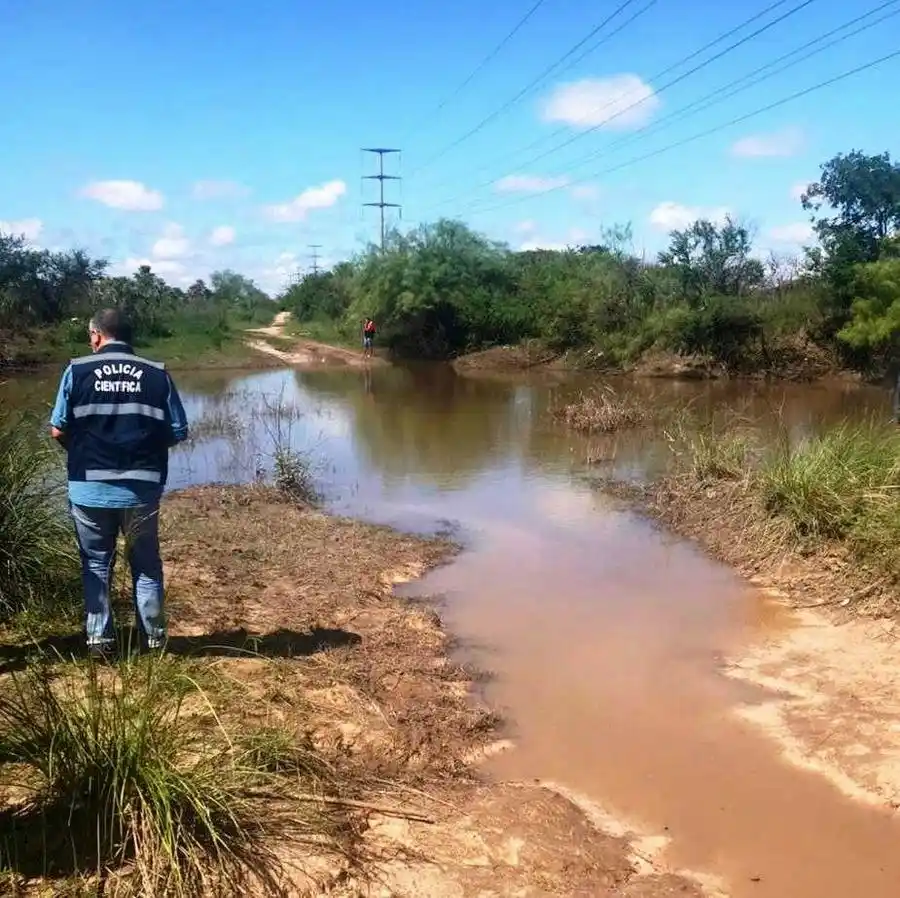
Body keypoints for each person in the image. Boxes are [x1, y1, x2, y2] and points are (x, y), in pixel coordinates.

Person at [49, 308, 189, 659]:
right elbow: (177, 431)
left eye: (89, 335)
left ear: (97, 335)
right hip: (141, 487)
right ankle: (154, 642)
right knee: (145, 564)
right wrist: (145, 453)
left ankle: (100, 642)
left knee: (96, 563)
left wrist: (83, 452)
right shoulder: (157, 374)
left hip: (88, 486)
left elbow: (57, 429)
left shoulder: (76, 370)